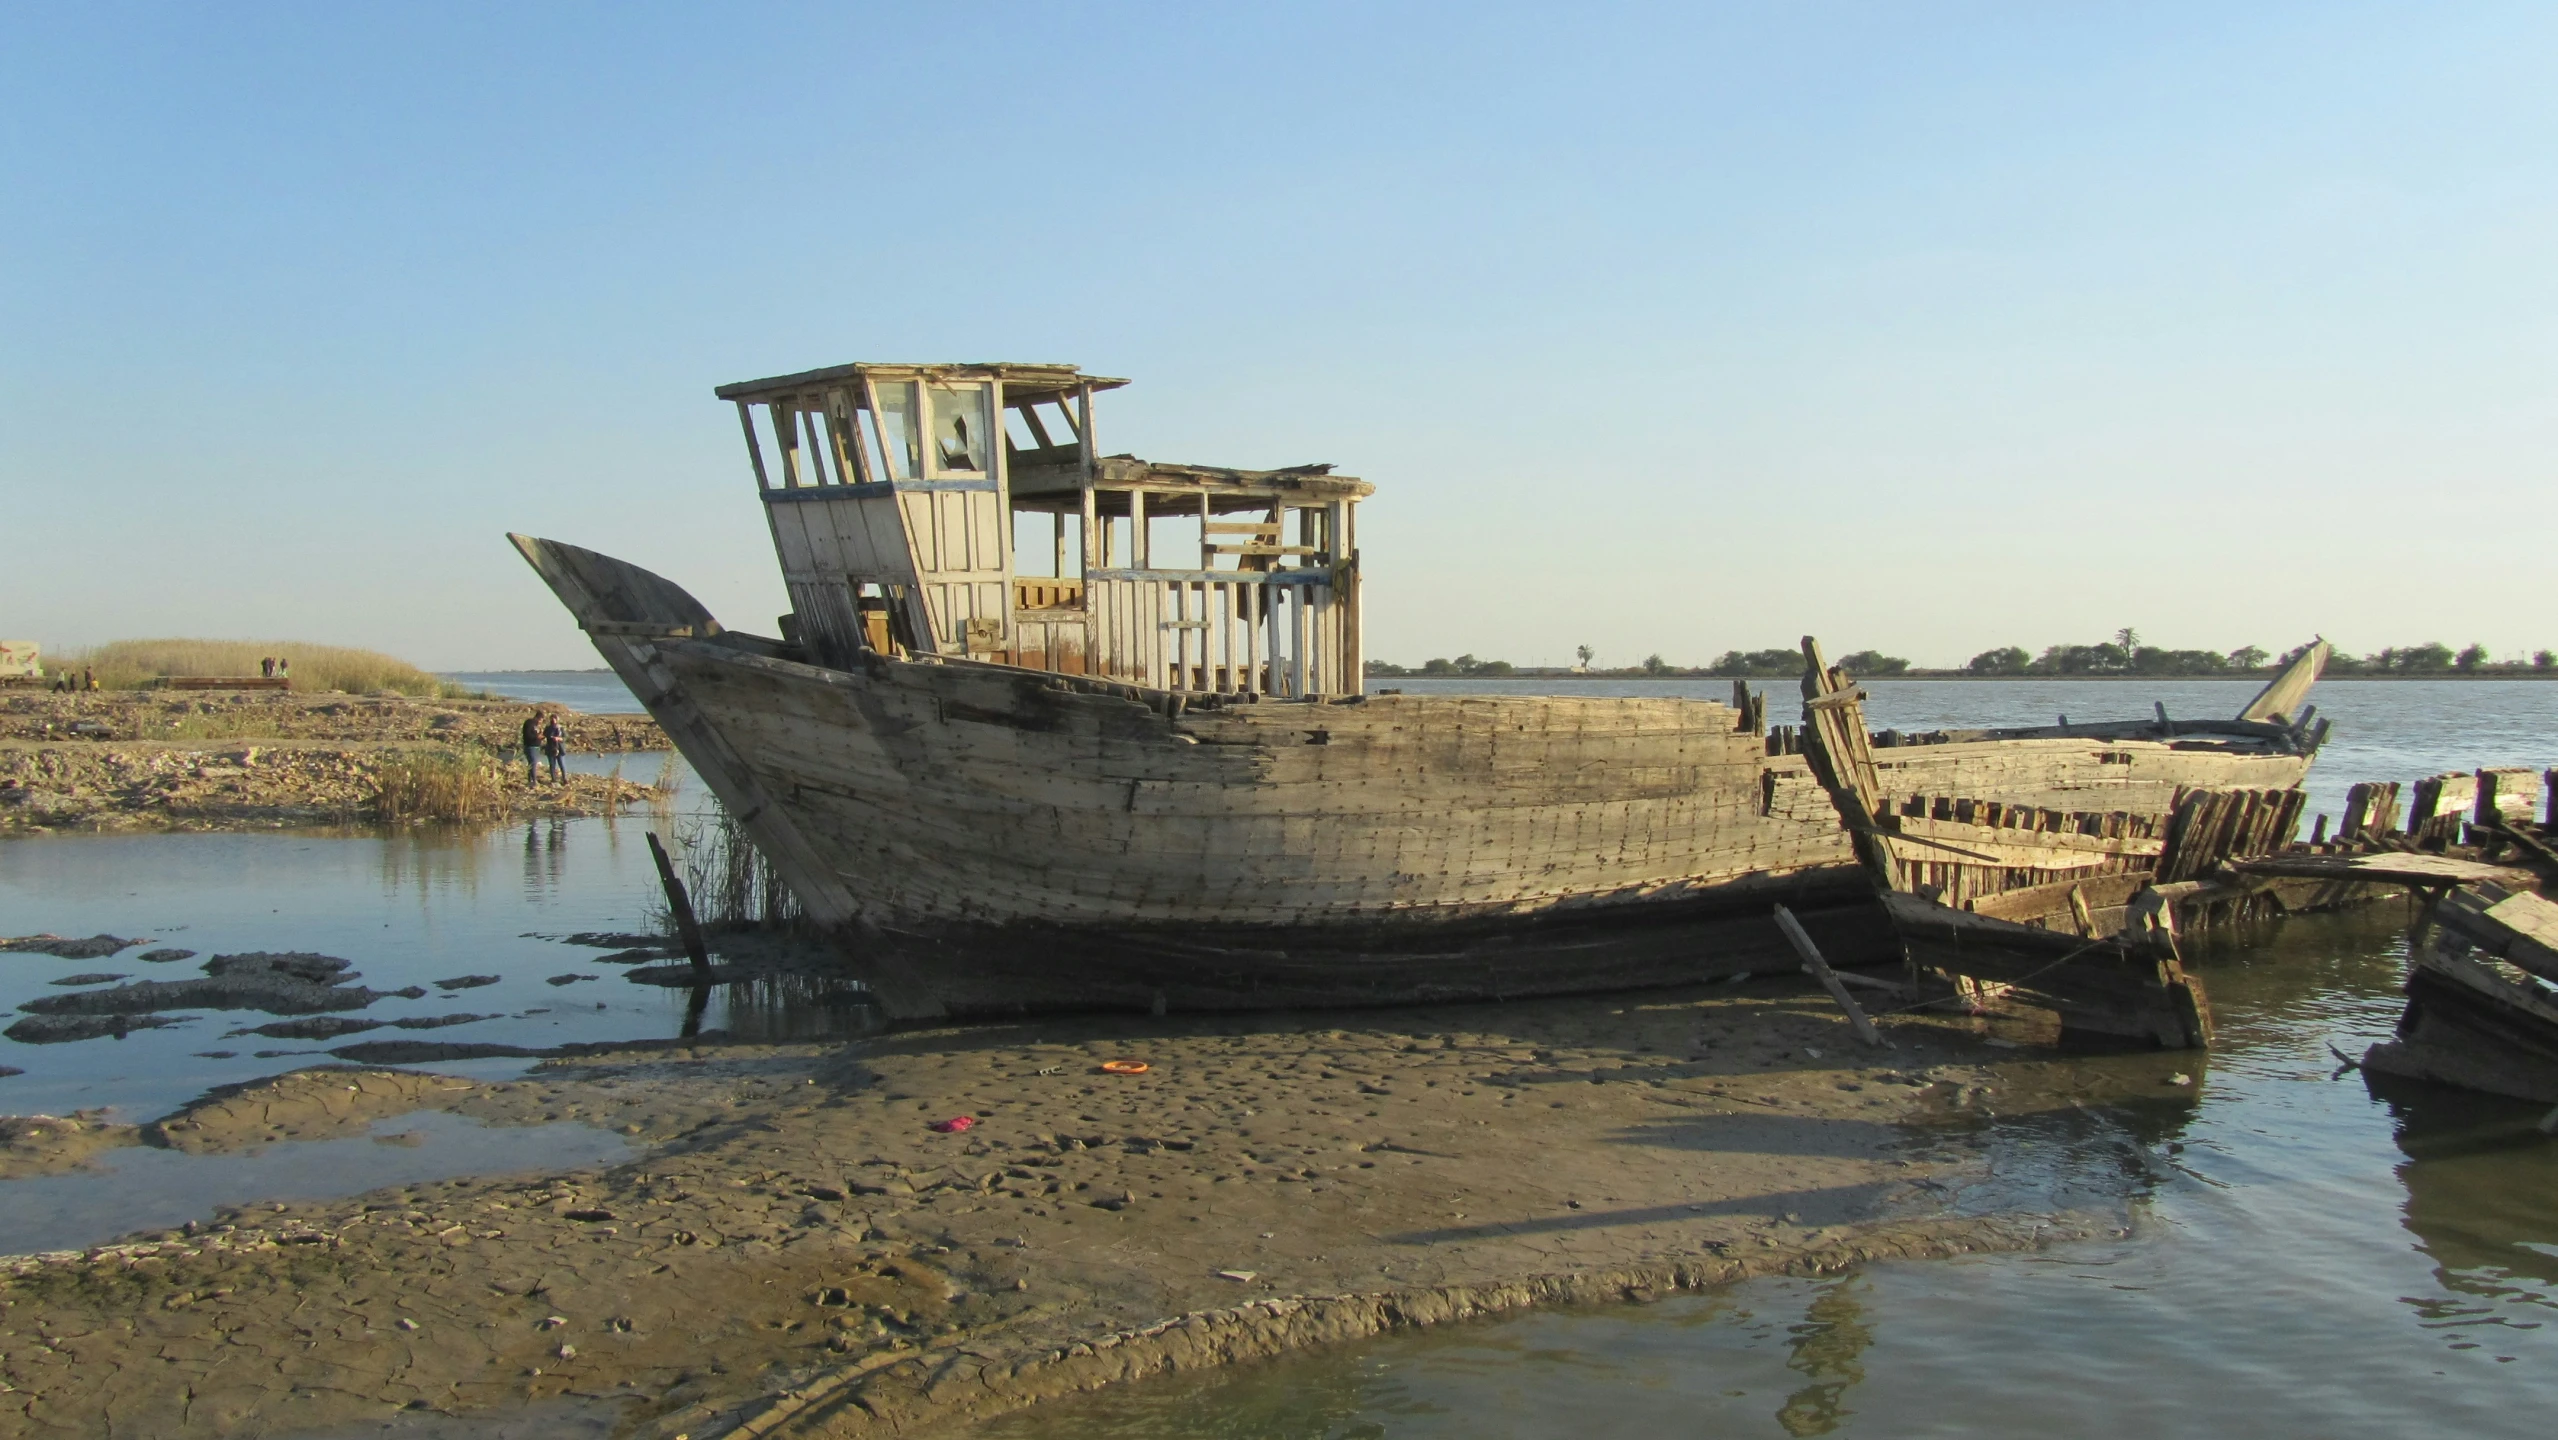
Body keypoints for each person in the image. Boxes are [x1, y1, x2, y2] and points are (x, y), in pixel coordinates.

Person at [520, 710, 543, 782]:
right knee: (533, 763)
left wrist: (541, 736)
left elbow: (536, 734)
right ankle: (533, 780)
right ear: (539, 718)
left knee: (532, 763)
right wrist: (537, 737)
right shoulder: (530, 723)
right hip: (530, 746)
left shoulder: (536, 725)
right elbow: (527, 735)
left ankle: (530, 780)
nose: (540, 722)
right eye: (541, 720)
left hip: (536, 747)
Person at [543, 714, 567, 782]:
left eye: (554, 719)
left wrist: (558, 738)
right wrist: (551, 737)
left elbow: (565, 738)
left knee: (561, 764)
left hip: (560, 748)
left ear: (557, 720)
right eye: (552, 719)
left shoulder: (561, 728)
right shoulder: (548, 728)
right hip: (550, 747)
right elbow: (545, 735)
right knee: (552, 764)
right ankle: (553, 779)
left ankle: (564, 778)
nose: (553, 721)